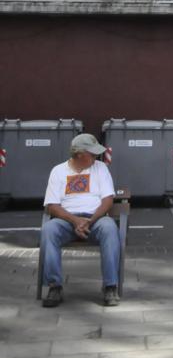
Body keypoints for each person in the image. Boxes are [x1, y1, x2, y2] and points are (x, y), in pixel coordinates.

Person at [40, 132, 122, 308]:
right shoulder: (58, 171)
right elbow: (52, 205)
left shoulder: (101, 168)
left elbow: (108, 200)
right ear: (79, 154)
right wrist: (75, 220)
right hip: (66, 221)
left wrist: (89, 221)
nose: (96, 157)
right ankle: (54, 286)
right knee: (49, 230)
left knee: (109, 228)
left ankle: (110, 286)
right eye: (92, 154)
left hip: (95, 220)